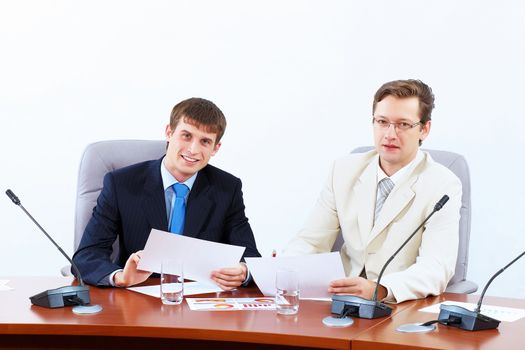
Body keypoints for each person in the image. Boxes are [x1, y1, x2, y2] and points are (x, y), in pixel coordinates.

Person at [283, 79, 462, 303]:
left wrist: (381, 289)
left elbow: (436, 267)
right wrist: (283, 271)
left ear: (424, 129)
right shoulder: (343, 170)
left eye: (403, 124)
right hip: (340, 300)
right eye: (382, 122)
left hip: (399, 304)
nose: (390, 134)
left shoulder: (442, 184)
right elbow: (310, 242)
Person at [73, 97, 261, 289]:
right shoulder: (121, 184)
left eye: (205, 141)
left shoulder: (227, 189)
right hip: (137, 298)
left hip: (200, 300)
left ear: (215, 148)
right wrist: (121, 277)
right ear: (169, 132)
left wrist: (244, 271)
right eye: (186, 136)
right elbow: (87, 256)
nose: (193, 150)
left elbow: (251, 257)